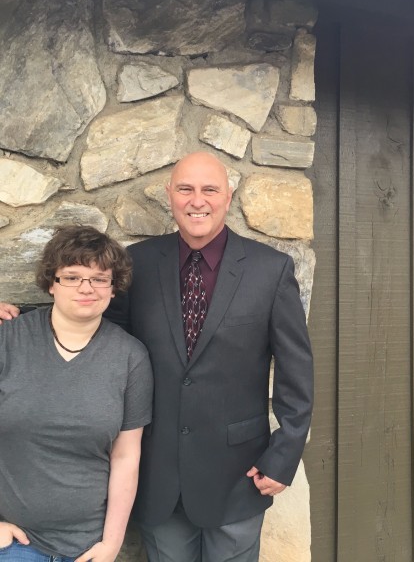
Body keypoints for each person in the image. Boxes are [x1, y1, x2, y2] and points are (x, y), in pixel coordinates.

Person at [1, 152, 314, 562]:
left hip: (239, 473)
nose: (197, 200)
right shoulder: (140, 262)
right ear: (170, 195)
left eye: (209, 189)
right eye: (185, 189)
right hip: (159, 472)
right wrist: (19, 317)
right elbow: (94, 321)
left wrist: (284, 455)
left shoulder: (270, 270)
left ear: (228, 196)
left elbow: (296, 370)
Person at [0, 225, 153, 562]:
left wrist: (111, 544)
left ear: (113, 288)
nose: (87, 288)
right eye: (72, 277)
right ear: (51, 283)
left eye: (99, 278)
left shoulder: (130, 357)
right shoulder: (8, 341)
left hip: (87, 548)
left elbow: (126, 457)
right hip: (13, 546)